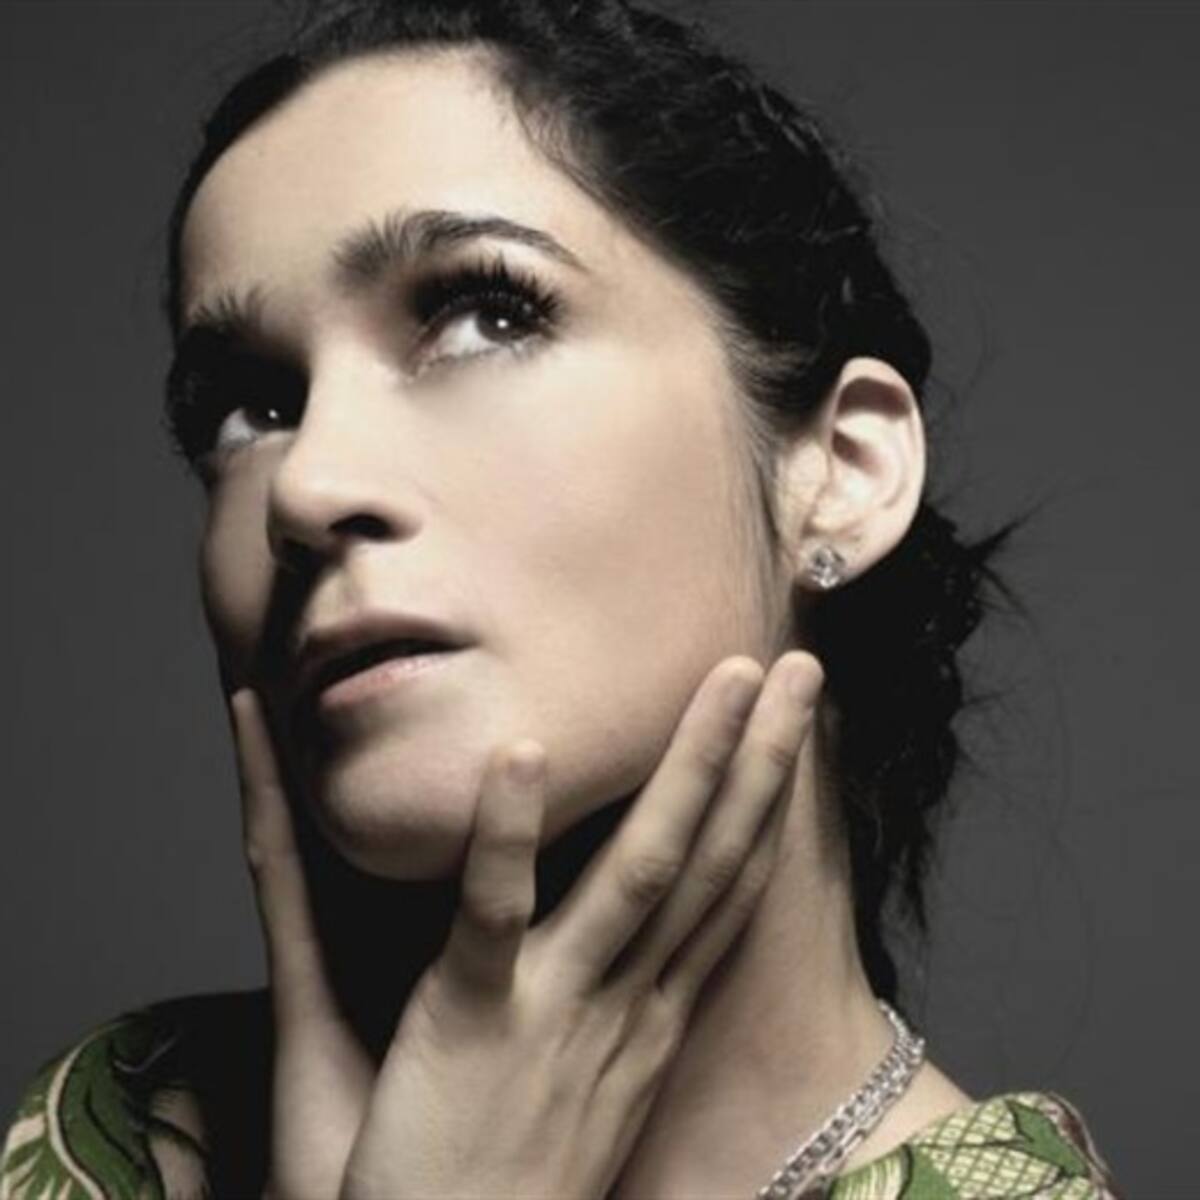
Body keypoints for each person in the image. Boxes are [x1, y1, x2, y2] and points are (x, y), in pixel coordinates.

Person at [0, 1, 1121, 1197]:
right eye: (251, 407)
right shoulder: (112, 1135)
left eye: (485, 316)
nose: (307, 487)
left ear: (841, 473)